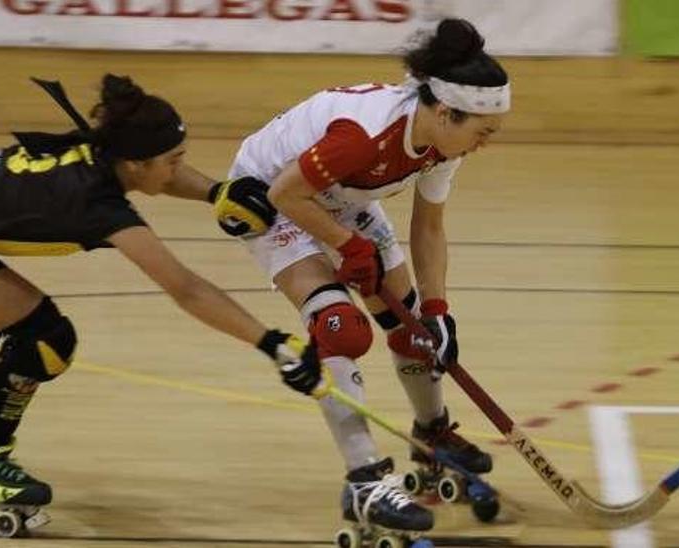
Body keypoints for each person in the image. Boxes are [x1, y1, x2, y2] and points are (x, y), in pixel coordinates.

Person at [0, 74, 323, 534]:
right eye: (174, 160)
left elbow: (160, 178)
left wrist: (216, 193)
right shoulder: (94, 205)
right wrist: (272, 343)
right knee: (45, 338)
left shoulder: (104, 153)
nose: (180, 169)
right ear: (136, 164)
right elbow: (186, 288)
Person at [183, 18, 509, 534]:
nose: (485, 143)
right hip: (271, 196)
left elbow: (429, 228)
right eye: (482, 132)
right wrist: (347, 245)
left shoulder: (442, 143)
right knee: (341, 327)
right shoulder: (365, 135)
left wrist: (438, 311)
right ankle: (363, 481)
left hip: (341, 196)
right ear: (446, 112)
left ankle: (433, 437)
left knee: (412, 334)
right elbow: (285, 194)